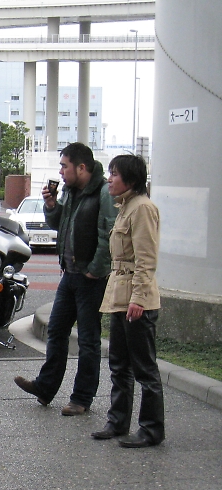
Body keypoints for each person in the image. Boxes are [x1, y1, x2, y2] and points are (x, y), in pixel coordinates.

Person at [14, 142, 118, 416]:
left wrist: (96, 268)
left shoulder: (103, 192)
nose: (60, 172)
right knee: (57, 331)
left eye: (64, 166)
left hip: (90, 278)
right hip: (69, 275)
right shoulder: (70, 192)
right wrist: (51, 205)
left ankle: (82, 398)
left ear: (81, 167)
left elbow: (109, 233)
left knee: (88, 340)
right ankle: (45, 387)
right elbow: (59, 224)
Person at [92, 154, 164, 447]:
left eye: (115, 174)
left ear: (131, 180)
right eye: (109, 173)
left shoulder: (142, 208)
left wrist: (139, 299)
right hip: (120, 297)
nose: (109, 179)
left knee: (144, 368)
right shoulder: (125, 207)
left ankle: (151, 429)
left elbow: (146, 260)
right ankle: (118, 422)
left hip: (137, 300)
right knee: (119, 365)